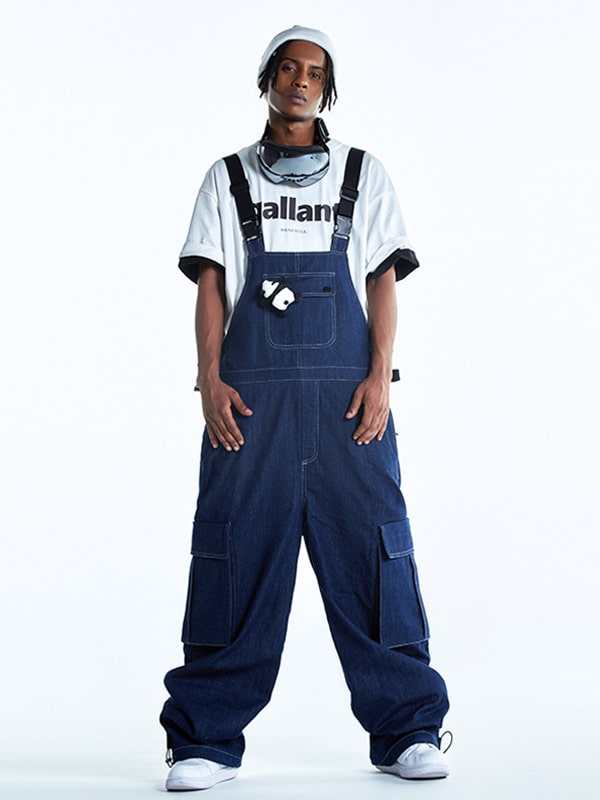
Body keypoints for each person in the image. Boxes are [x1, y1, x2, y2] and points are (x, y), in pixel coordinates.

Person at [160, 25, 450, 791]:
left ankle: (408, 729)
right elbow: (211, 284)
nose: (299, 81)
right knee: (232, 555)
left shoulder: (363, 173)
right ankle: (205, 739)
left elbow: (381, 279)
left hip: (349, 403)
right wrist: (209, 380)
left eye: (314, 73)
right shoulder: (227, 178)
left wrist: (381, 376)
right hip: (248, 408)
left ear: (328, 89)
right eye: (287, 69)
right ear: (267, 80)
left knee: (375, 554)